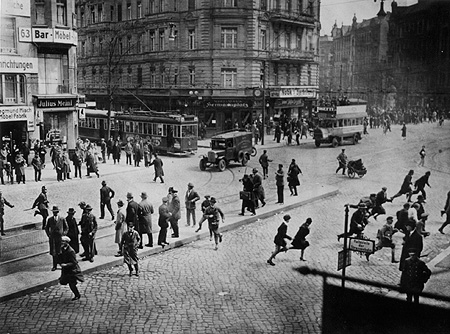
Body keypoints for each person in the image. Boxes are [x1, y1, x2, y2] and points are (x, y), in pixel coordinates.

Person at [58, 236, 84, 301]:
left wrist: (66, 264)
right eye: (61, 241)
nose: (61, 243)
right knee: (63, 281)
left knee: (72, 284)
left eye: (63, 242)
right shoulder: (62, 249)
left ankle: (77, 295)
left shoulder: (71, 251)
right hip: (66, 270)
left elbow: (74, 262)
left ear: (67, 242)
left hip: (72, 270)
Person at [45, 206, 68, 271]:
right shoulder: (50, 219)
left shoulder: (62, 219)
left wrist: (64, 234)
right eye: (54, 212)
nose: (55, 213)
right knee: (54, 252)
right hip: (53, 238)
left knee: (60, 251)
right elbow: (46, 228)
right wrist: (48, 235)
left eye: (56, 212)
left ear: (58, 212)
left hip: (60, 238)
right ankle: (54, 265)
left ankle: (61, 264)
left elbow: (66, 227)